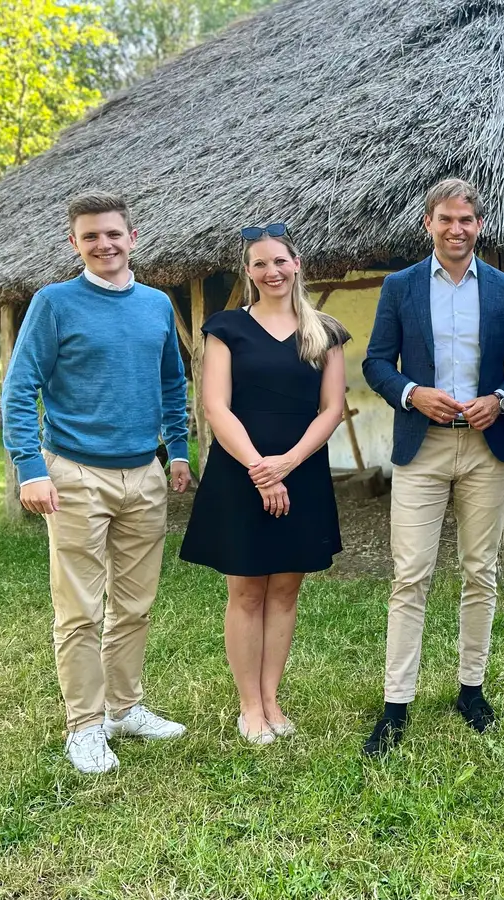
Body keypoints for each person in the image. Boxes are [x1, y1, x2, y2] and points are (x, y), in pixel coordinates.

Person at [1, 192, 193, 775]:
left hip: (145, 472)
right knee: (80, 608)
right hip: (75, 473)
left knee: (134, 605)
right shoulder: (53, 304)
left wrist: (178, 451)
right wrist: (30, 468)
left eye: (113, 234)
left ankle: (124, 708)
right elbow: (19, 389)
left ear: (132, 237)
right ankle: (83, 726)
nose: (104, 245)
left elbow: (171, 384)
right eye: (91, 237)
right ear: (74, 244)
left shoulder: (157, 305)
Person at [359, 179, 504, 756]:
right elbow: (376, 362)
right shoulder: (400, 286)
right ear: (429, 223)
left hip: (486, 448)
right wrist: (412, 392)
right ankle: (395, 705)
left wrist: (503, 400)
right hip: (423, 446)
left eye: (466, 220)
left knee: (479, 573)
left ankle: (471, 690)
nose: (456, 229)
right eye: (445, 219)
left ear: (479, 226)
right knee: (410, 575)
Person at [179, 223, 350, 745]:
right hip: (239, 469)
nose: (271, 271)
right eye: (259, 264)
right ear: (248, 272)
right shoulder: (225, 328)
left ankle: (272, 697)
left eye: (279, 261)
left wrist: (287, 465)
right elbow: (215, 406)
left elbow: (332, 409)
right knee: (247, 589)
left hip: (302, 470)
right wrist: (260, 467)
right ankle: (248, 706)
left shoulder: (325, 331)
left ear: (296, 264)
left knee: (286, 589)